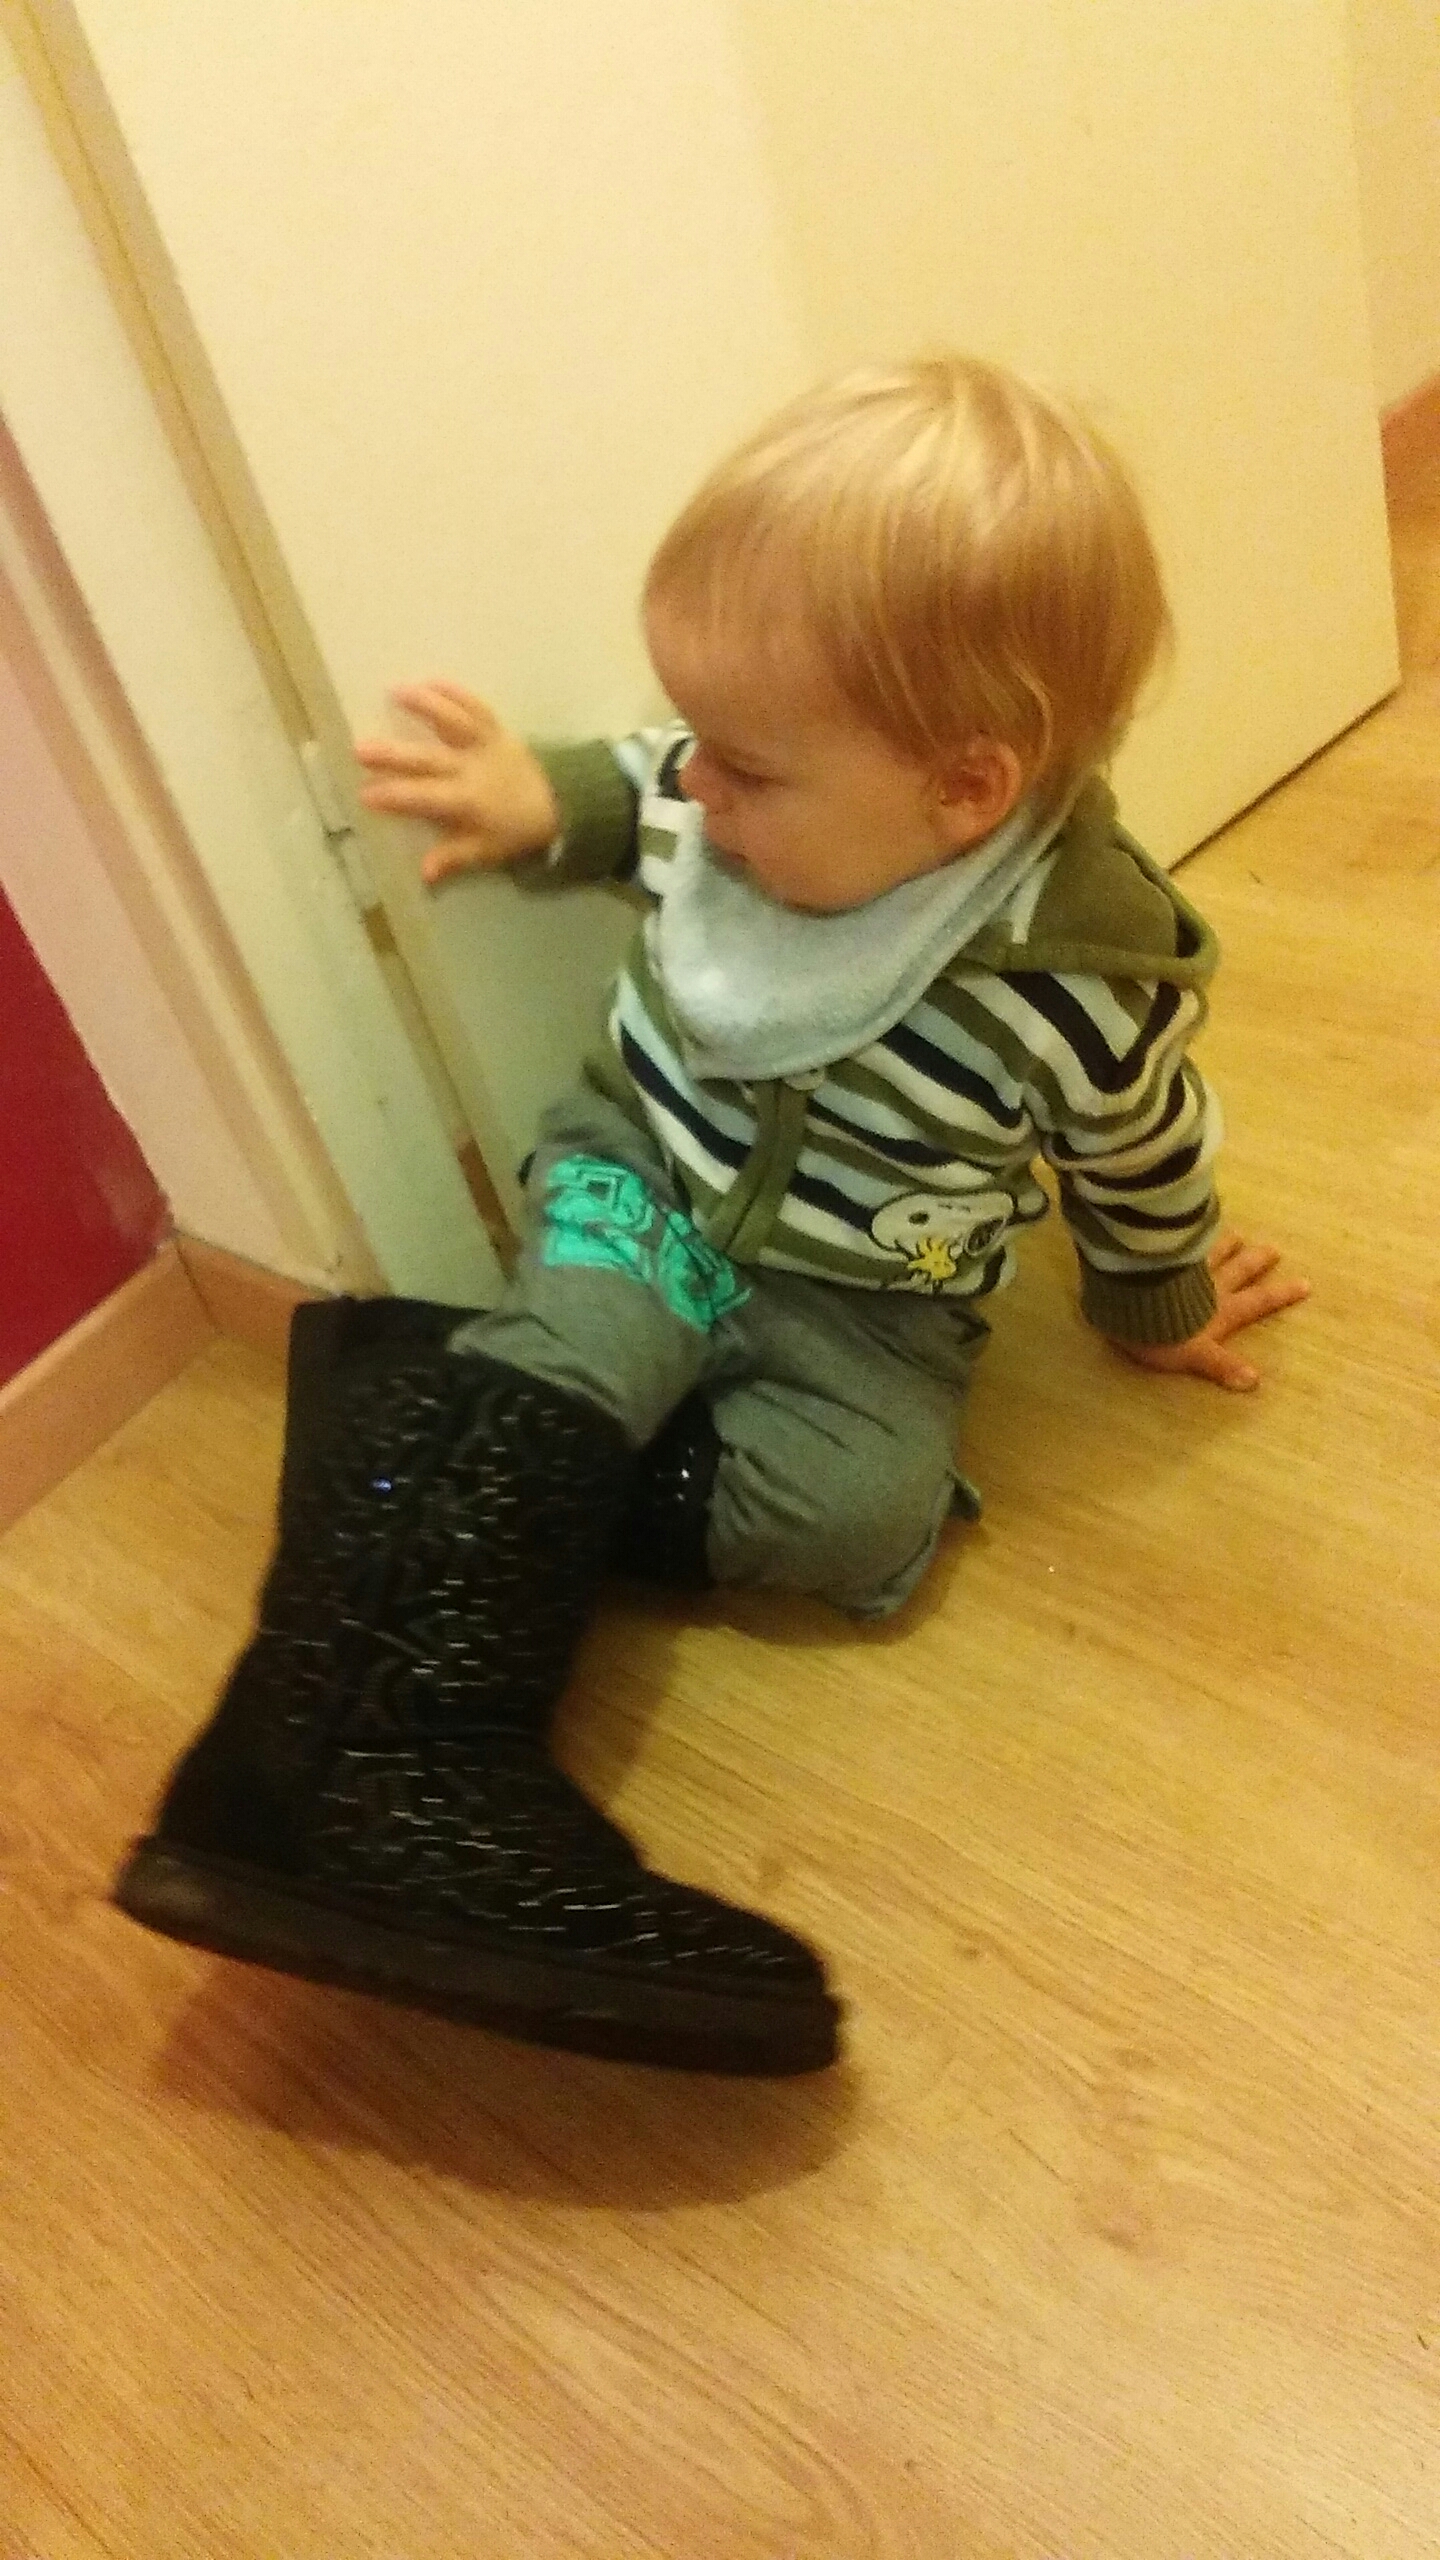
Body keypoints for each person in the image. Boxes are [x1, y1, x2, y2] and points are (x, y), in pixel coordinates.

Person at [114, 356, 1307, 2075]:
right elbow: (648, 775)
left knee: (870, 1522)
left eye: (742, 770)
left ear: (967, 790)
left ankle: (430, 1447)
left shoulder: (1078, 974)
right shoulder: (747, 789)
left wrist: (1155, 1298)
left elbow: (1140, 1147)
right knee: (593, 1325)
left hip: (873, 1292)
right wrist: (550, 801)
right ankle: (401, 1761)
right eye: (697, 754)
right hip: (650, 1171)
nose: (699, 795)